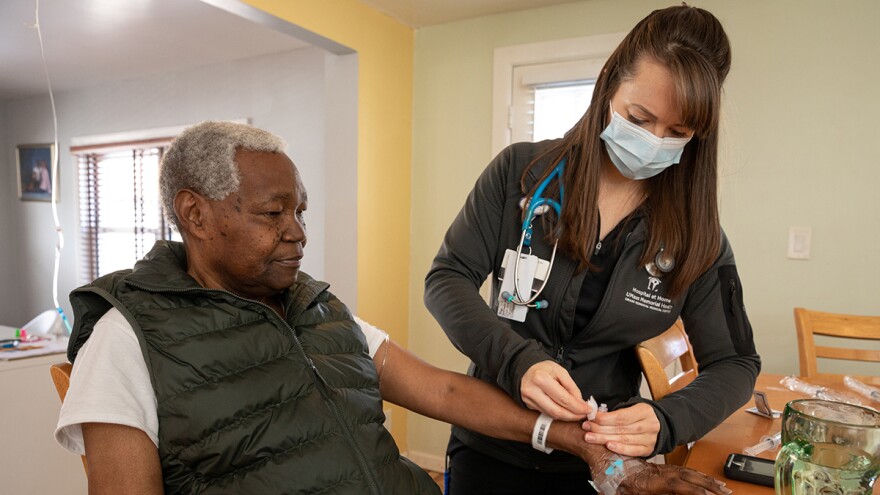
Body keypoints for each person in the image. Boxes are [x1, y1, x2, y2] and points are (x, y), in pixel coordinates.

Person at [56, 121, 732, 494]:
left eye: (301, 210)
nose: (298, 231)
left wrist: (582, 444)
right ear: (196, 215)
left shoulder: (317, 307)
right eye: (273, 213)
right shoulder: (126, 339)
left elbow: (440, 388)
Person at [424, 5, 762, 494]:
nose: (653, 143)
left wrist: (664, 421)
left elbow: (736, 364)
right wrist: (516, 360)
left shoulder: (697, 235)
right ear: (608, 83)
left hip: (603, 465)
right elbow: (447, 278)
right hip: (491, 440)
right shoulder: (521, 173)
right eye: (639, 118)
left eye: (677, 133)